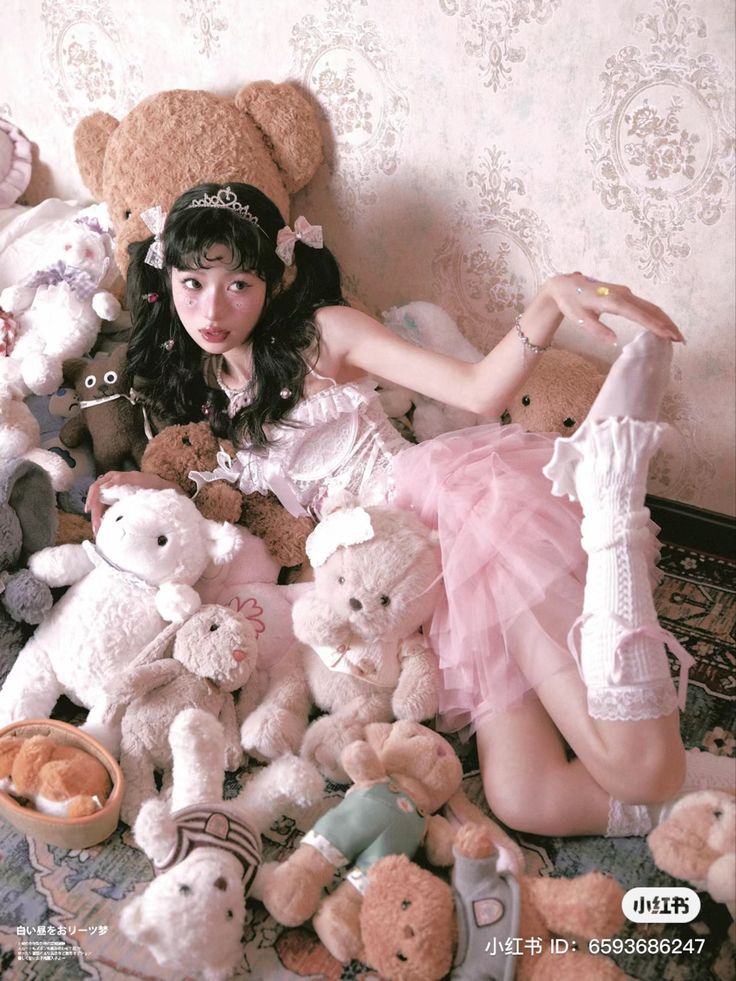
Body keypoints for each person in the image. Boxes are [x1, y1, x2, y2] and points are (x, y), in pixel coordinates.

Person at [86, 182, 732, 838]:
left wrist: (547, 302)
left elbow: (477, 392)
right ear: (167, 280)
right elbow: (221, 501)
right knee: (525, 798)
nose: (212, 308)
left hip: (459, 525)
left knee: (637, 769)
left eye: (238, 283)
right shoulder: (212, 389)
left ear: (274, 279)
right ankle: (716, 800)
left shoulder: (323, 335)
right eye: (193, 283)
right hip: (403, 589)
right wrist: (142, 481)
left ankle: (611, 499)